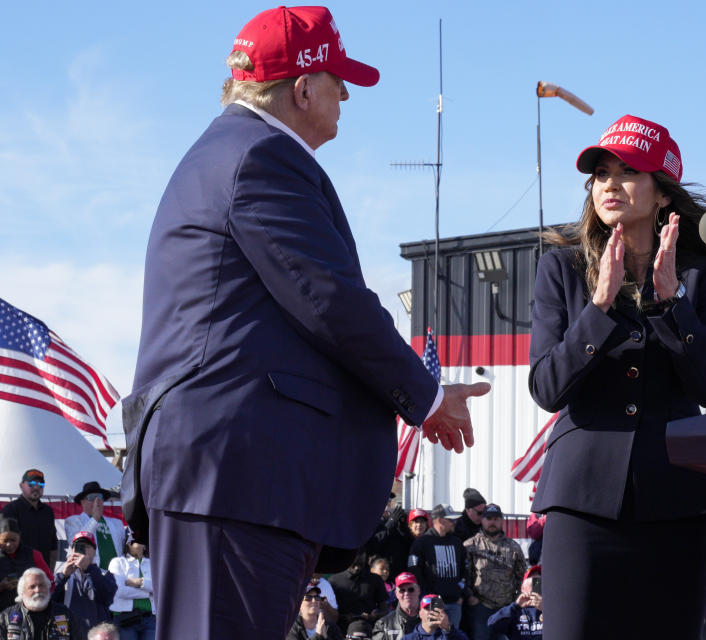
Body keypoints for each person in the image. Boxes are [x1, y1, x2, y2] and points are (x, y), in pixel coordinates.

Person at [120, 6, 489, 638]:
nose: (346, 93)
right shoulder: (261, 156)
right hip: (235, 474)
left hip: (231, 477)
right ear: (302, 88)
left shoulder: (232, 152)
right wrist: (424, 397)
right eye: (337, 79)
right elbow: (331, 301)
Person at [528, 114, 706, 640]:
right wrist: (598, 307)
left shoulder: (699, 274)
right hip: (582, 504)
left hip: (676, 503)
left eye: (628, 172)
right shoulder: (562, 268)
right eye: (602, 173)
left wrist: (674, 303)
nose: (610, 184)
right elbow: (547, 388)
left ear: (662, 193)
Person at [463, 505, 527, 640]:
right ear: (482, 520)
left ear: (502, 521)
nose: (492, 522)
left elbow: (523, 576)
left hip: (506, 608)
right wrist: (470, 597)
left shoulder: (513, 547)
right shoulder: (471, 545)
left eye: (496, 519)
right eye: (489, 518)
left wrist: (517, 601)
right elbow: (463, 575)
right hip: (481, 607)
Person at [407, 505, 466, 628]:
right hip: (431, 603)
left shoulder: (457, 542)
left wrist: (460, 593)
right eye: (450, 520)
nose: (454, 523)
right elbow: (414, 571)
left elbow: (465, 569)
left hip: (454, 602)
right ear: (440, 520)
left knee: (452, 635)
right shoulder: (422, 542)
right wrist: (427, 596)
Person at [52, 533, 117, 639]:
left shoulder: (105, 574)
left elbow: (105, 597)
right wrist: (63, 576)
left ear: (95, 552)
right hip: (70, 635)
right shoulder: (62, 574)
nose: (82, 550)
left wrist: (88, 568)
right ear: (72, 551)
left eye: (86, 547)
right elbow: (49, 601)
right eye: (78, 547)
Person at [0, 568, 80, 640]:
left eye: (41, 585)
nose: (38, 590)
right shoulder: (6, 617)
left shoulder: (65, 614)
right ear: (22, 592)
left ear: (48, 588)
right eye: (32, 587)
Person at [1, 470, 59, 569]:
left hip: (42, 576)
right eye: (31, 484)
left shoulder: (48, 512)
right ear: (21, 486)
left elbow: (53, 547)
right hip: (17, 577)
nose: (36, 487)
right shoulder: (10, 510)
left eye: (40, 484)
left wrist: (50, 574)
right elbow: (3, 547)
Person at [63, 482, 125, 570]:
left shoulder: (117, 523)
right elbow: (78, 544)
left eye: (99, 497)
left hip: (115, 576)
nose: (96, 501)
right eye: (91, 497)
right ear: (82, 502)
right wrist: (95, 518)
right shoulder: (73, 521)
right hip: (89, 574)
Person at [0, 517, 54, 611]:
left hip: (28, 613)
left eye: (13, 540)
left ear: (20, 537)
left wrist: (29, 585)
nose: (9, 544)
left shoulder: (34, 555)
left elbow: (50, 582)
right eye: (5, 541)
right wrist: (2, 586)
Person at [106, 535, 155, 640]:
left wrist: (139, 582)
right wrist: (148, 593)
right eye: (130, 541)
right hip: (125, 618)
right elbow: (119, 591)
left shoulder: (153, 564)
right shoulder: (117, 562)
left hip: (150, 618)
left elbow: (159, 588)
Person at [329, 552, 388, 630]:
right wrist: (344, 617)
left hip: (369, 630)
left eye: (360, 564)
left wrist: (374, 616)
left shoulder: (375, 580)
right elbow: (328, 612)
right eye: (354, 564)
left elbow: (384, 611)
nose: (357, 568)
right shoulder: (334, 581)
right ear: (347, 561)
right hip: (341, 631)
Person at [487, 575, 543, 640]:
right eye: (533, 583)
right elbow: (492, 625)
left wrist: (545, 608)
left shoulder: (550, 609)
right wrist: (515, 606)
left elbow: (557, 628)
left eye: (539, 583)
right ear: (523, 588)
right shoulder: (514, 611)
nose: (536, 585)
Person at [373, 573, 421, 640]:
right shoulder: (383, 625)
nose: (406, 593)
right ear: (396, 594)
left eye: (411, 589)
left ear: (418, 590)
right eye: (402, 590)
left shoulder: (431, 621)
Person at [400, 595, 468, 640]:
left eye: (435, 608)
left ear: (443, 612)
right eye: (427, 608)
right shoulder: (408, 638)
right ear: (420, 613)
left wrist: (448, 629)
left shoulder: (451, 634)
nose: (431, 612)